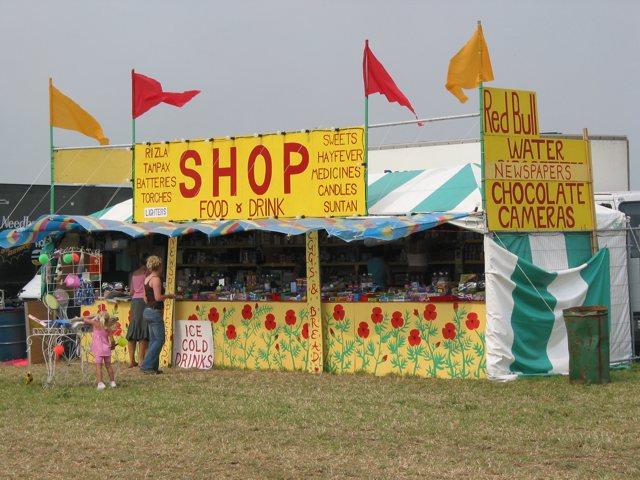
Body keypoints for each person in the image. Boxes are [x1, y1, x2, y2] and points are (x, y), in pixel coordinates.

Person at [140, 255, 175, 374]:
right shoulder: (156, 279)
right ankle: (146, 365)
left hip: (148, 310)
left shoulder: (147, 278)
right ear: (159, 266)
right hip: (154, 311)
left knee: (154, 340)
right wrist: (169, 296)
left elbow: (145, 298)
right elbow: (158, 297)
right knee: (160, 340)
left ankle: (153, 367)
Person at [83, 311, 117, 390]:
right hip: (106, 349)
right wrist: (113, 346)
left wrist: (93, 316)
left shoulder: (96, 323)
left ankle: (100, 383)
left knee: (99, 367)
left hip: (98, 349)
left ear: (99, 317)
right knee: (109, 366)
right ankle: (112, 382)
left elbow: (85, 319)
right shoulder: (108, 328)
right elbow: (112, 341)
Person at [126, 255, 149, 368]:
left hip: (134, 301)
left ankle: (131, 361)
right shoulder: (148, 274)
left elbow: (131, 291)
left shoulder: (134, 273)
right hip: (144, 301)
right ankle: (141, 360)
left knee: (133, 328)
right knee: (143, 330)